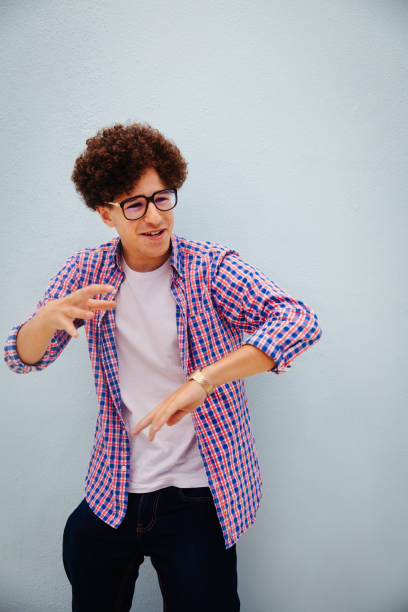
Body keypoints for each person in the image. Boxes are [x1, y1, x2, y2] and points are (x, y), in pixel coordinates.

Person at [4, 122, 322, 612]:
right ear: (105, 213)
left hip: (198, 493)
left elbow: (298, 321)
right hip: (113, 489)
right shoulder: (87, 271)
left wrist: (202, 381)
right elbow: (22, 358)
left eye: (162, 197)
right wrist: (45, 318)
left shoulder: (210, 268)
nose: (154, 216)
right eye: (134, 204)